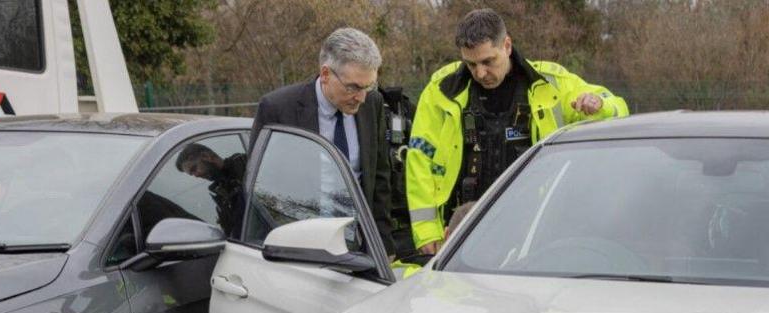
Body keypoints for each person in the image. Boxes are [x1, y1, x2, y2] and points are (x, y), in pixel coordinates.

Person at [406, 8, 628, 255]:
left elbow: (618, 107)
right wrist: (427, 233)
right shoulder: (441, 90)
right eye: (471, 64)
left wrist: (599, 105)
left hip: (535, 232)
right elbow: (420, 161)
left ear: (507, 45)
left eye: (488, 61)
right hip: (464, 229)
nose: (480, 73)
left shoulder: (549, 84)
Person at [251, 27, 396, 256]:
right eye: (353, 87)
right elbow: (262, 189)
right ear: (326, 74)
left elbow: (379, 178)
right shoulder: (279, 109)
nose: (361, 97)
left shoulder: (372, 104)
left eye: (368, 86)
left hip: (357, 246)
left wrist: (383, 246)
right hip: (298, 246)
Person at [175, 143, 247, 237]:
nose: (196, 175)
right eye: (192, 174)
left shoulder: (246, 166)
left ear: (206, 156)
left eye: (194, 169)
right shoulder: (221, 193)